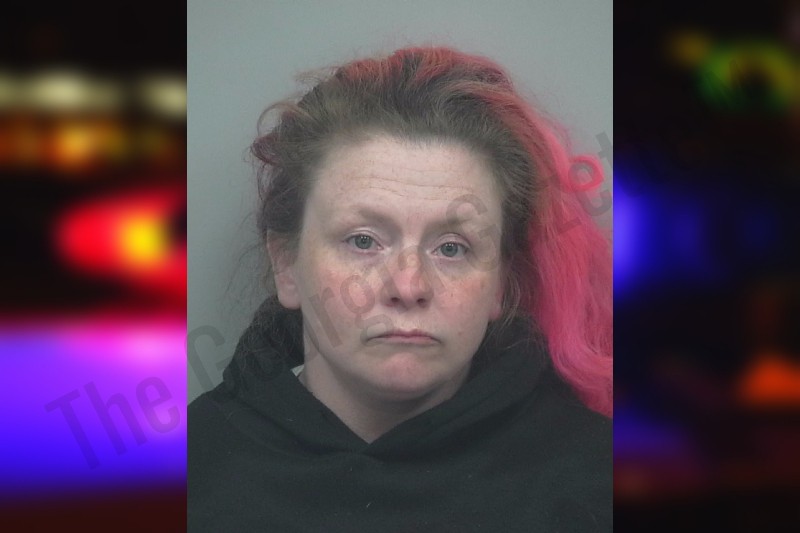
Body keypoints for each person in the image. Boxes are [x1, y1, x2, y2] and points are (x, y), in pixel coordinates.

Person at [188, 46, 612, 532]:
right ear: (286, 265)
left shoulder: (597, 481)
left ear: (500, 282)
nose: (408, 286)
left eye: (451, 248)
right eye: (363, 241)